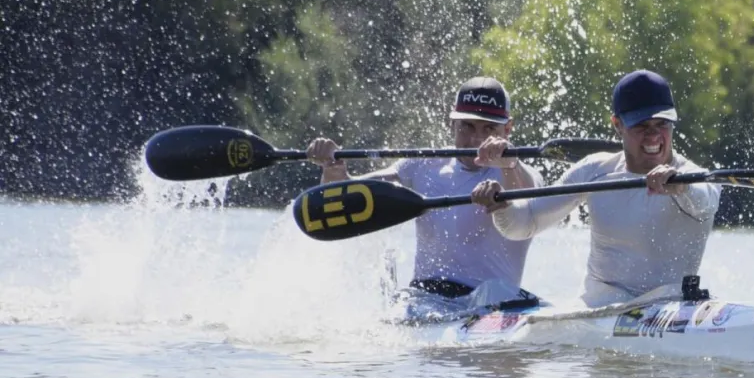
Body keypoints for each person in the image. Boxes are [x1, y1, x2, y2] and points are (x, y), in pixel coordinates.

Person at [471, 69, 721, 307]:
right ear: (617, 125)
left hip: (669, 307)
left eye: (662, 125)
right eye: (641, 126)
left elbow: (706, 200)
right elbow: (525, 224)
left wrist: (681, 187)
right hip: (598, 309)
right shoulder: (594, 170)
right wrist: (501, 206)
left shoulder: (692, 177)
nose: (654, 136)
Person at [307, 77, 544, 319]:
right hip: (424, 300)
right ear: (451, 123)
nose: (476, 140)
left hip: (490, 302)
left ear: (508, 129)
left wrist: (509, 165)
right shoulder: (422, 166)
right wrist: (333, 170)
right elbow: (351, 195)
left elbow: (529, 206)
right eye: (467, 127)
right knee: (407, 304)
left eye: (489, 129)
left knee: (495, 291)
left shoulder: (518, 173)